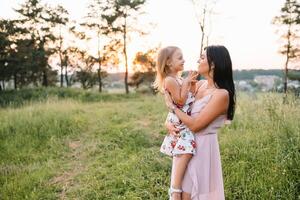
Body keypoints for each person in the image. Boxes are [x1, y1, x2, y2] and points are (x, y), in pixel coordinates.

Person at [164, 45, 236, 200]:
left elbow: (196, 125)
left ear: (214, 63)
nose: (198, 60)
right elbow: (184, 107)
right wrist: (168, 123)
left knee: (192, 195)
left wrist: (172, 108)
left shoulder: (221, 94)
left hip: (203, 149)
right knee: (179, 192)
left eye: (202, 57)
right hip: (186, 146)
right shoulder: (200, 85)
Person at [153, 46, 198, 200]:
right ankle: (175, 192)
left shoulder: (178, 78)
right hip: (180, 123)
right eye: (179, 58)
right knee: (185, 150)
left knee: (184, 155)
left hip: (181, 120)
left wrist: (190, 84)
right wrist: (186, 83)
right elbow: (180, 100)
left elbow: (189, 98)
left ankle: (178, 189)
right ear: (168, 63)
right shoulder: (170, 80)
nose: (183, 60)